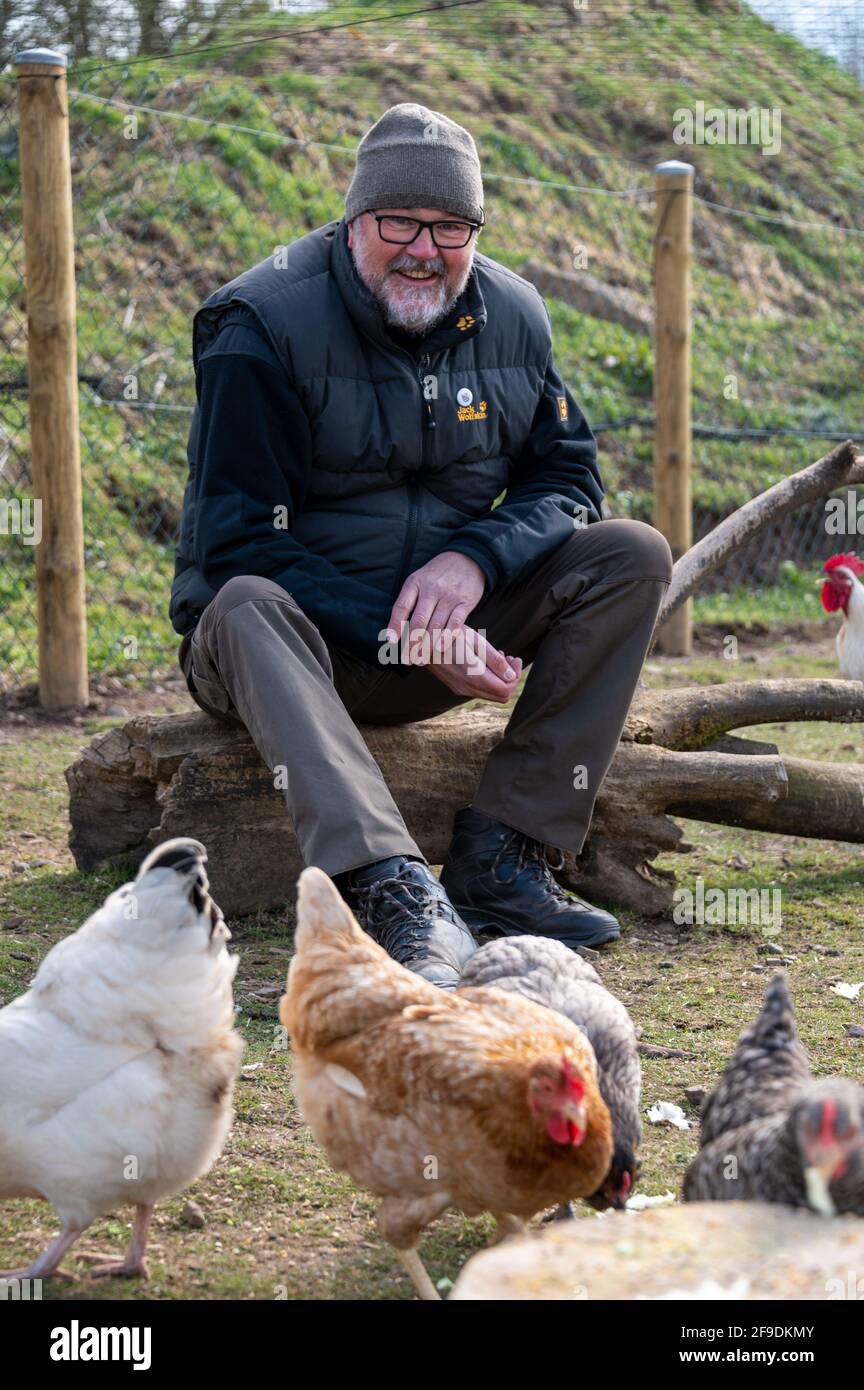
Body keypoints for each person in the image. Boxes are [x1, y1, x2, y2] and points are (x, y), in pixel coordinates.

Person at [170, 102, 672, 990]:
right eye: (398, 222)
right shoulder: (257, 322)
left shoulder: (516, 316)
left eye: (451, 227)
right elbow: (236, 541)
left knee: (631, 552)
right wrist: (407, 634)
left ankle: (508, 858)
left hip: (452, 641)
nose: (423, 249)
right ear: (355, 218)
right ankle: (393, 888)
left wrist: (475, 560)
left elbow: (570, 481)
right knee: (243, 601)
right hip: (295, 652)